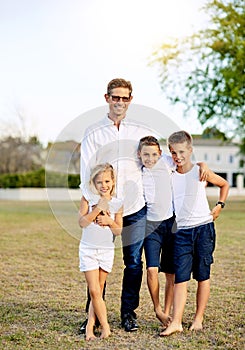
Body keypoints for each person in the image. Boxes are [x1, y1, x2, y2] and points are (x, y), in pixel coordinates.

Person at [80, 78, 157, 332]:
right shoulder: (93, 131)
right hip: (104, 208)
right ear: (107, 98)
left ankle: (128, 314)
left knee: (134, 262)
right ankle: (91, 318)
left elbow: (154, 157)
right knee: (97, 262)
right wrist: (95, 206)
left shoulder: (140, 130)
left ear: (130, 100)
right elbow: (86, 172)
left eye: (125, 98)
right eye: (115, 97)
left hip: (134, 207)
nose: (120, 102)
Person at [160, 131, 229, 336]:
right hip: (181, 232)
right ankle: (177, 322)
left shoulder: (200, 171)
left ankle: (198, 318)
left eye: (181, 151)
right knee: (181, 278)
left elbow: (224, 184)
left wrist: (219, 205)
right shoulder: (170, 173)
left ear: (190, 150)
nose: (177, 156)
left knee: (202, 276)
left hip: (203, 229)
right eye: (173, 152)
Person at [78, 163, 123, 340]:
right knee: (95, 291)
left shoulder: (118, 203)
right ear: (93, 184)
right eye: (99, 182)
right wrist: (97, 208)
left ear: (113, 182)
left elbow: (118, 231)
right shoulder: (87, 198)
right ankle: (105, 326)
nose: (103, 185)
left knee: (99, 289)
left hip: (106, 251)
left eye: (107, 181)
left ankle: (90, 326)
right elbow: (82, 222)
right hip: (88, 250)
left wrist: (109, 220)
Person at [137, 136, 175, 326]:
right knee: (152, 270)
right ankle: (157, 308)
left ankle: (167, 312)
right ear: (139, 155)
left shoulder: (167, 162)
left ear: (160, 154)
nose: (150, 158)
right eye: (145, 154)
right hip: (151, 227)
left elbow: (187, 162)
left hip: (171, 223)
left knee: (170, 273)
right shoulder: (139, 172)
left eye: (153, 154)